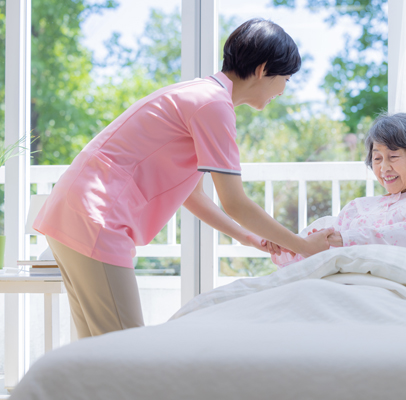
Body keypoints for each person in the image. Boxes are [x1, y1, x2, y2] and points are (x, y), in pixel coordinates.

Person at [33, 18, 333, 339]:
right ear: (262, 70)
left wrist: (248, 237)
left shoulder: (200, 94)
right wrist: (304, 246)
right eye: (285, 78)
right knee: (125, 351)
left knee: (97, 351)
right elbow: (236, 202)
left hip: (72, 211)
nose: (283, 90)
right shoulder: (214, 106)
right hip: (97, 219)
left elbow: (194, 196)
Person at [269, 113, 406, 268]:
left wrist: (344, 239)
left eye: (393, 156)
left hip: (401, 285)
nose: (384, 168)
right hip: (349, 283)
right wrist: (287, 248)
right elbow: (322, 254)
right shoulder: (358, 206)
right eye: (377, 159)